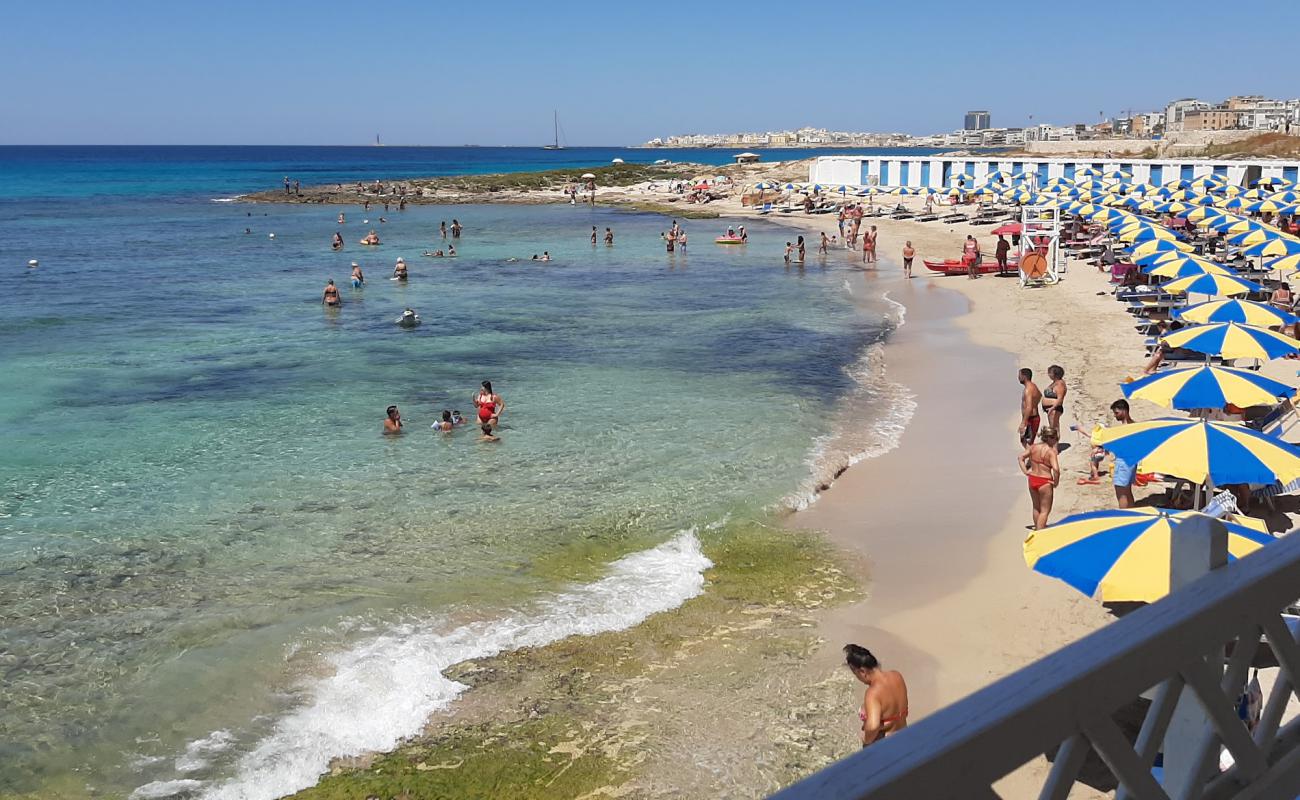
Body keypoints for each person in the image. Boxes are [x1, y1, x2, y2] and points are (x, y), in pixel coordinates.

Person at [844, 644, 908, 748]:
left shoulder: (873, 693)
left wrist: (867, 742)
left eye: (856, 674)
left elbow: (873, 726)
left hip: (885, 746)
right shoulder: (896, 676)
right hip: (904, 736)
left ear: (862, 672)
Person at [1020, 427, 1061, 530]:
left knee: (1036, 507)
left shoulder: (1033, 447)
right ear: (1050, 438)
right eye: (1056, 439)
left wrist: (1025, 471)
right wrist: (1056, 482)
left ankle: (1038, 528)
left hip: (1032, 479)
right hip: (1045, 481)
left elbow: (1020, 457)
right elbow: (1056, 469)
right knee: (1045, 511)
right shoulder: (1051, 452)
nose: (1056, 441)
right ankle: (1040, 532)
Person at [1108, 399, 1138, 508]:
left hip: (1124, 462)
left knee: (1121, 493)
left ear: (1124, 411)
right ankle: (1131, 514)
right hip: (1131, 463)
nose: (1115, 416)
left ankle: (1124, 516)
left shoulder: (1126, 428)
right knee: (1127, 491)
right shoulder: (1134, 425)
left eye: (1117, 413)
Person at [1018, 368, 1042, 447]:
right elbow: (1040, 395)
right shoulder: (1033, 386)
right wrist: (1035, 404)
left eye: (1019, 375)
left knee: (1025, 441)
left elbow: (1029, 407)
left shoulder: (1028, 389)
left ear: (1024, 377)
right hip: (1032, 417)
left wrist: (1023, 422)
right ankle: (1030, 457)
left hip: (1031, 419)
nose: (1018, 377)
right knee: (1026, 441)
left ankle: (1032, 458)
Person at [1042, 365, 1067, 434]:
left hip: (1054, 409)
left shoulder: (1060, 384)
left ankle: (1054, 444)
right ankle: (1053, 444)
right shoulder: (1055, 382)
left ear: (1055, 374)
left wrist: (1052, 408)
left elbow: (1060, 399)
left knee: (1054, 428)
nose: (1049, 374)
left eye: (1050, 373)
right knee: (1052, 427)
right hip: (1051, 408)